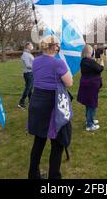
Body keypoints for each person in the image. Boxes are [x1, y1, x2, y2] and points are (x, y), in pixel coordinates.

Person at [27, 35, 73, 179]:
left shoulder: (36, 61)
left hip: (37, 101)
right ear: (54, 47)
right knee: (57, 143)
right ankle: (54, 176)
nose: (59, 47)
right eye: (58, 45)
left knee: (39, 141)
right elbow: (69, 83)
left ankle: (33, 175)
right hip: (52, 104)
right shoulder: (58, 63)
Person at [77, 45, 104, 132]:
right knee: (92, 104)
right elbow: (99, 69)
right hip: (90, 86)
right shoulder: (88, 61)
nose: (93, 52)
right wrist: (102, 62)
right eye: (92, 51)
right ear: (89, 52)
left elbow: (95, 69)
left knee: (89, 104)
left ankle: (90, 120)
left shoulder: (85, 61)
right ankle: (89, 125)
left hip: (88, 85)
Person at [18, 42, 34, 109]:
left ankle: (31, 101)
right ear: (27, 46)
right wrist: (36, 66)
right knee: (28, 88)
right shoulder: (25, 55)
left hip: (31, 73)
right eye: (31, 45)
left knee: (30, 88)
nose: (32, 46)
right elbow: (28, 65)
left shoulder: (28, 54)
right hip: (28, 73)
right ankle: (21, 102)